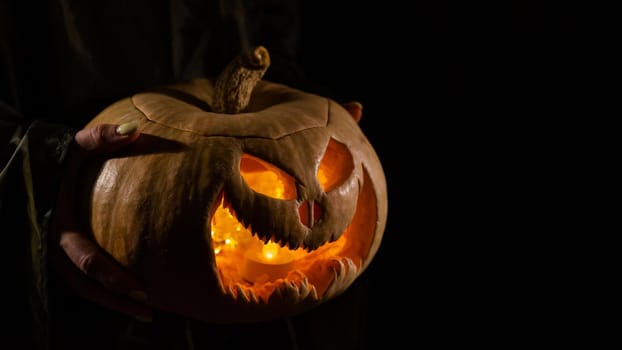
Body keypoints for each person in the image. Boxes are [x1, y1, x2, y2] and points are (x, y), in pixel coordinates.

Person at [2, 1, 369, 349]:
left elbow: (274, 22)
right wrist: (40, 164)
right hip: (91, 283)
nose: (307, 216)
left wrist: (308, 113)